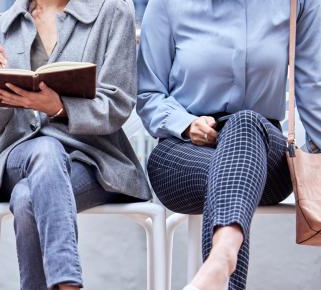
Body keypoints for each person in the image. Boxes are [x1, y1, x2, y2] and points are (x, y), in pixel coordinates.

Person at [137, 1, 321, 289]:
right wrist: (185, 124)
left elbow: (313, 88)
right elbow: (149, 95)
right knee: (230, 175)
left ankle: (221, 260)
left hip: (265, 152)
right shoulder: (167, 5)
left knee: (244, 123)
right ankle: (222, 257)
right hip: (183, 153)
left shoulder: (297, 3)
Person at [0, 0, 150, 289]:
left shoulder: (113, 11)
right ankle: (68, 284)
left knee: (26, 198)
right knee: (46, 150)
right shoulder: (4, 24)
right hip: (22, 154)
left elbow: (118, 104)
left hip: (92, 160)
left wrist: (60, 107)